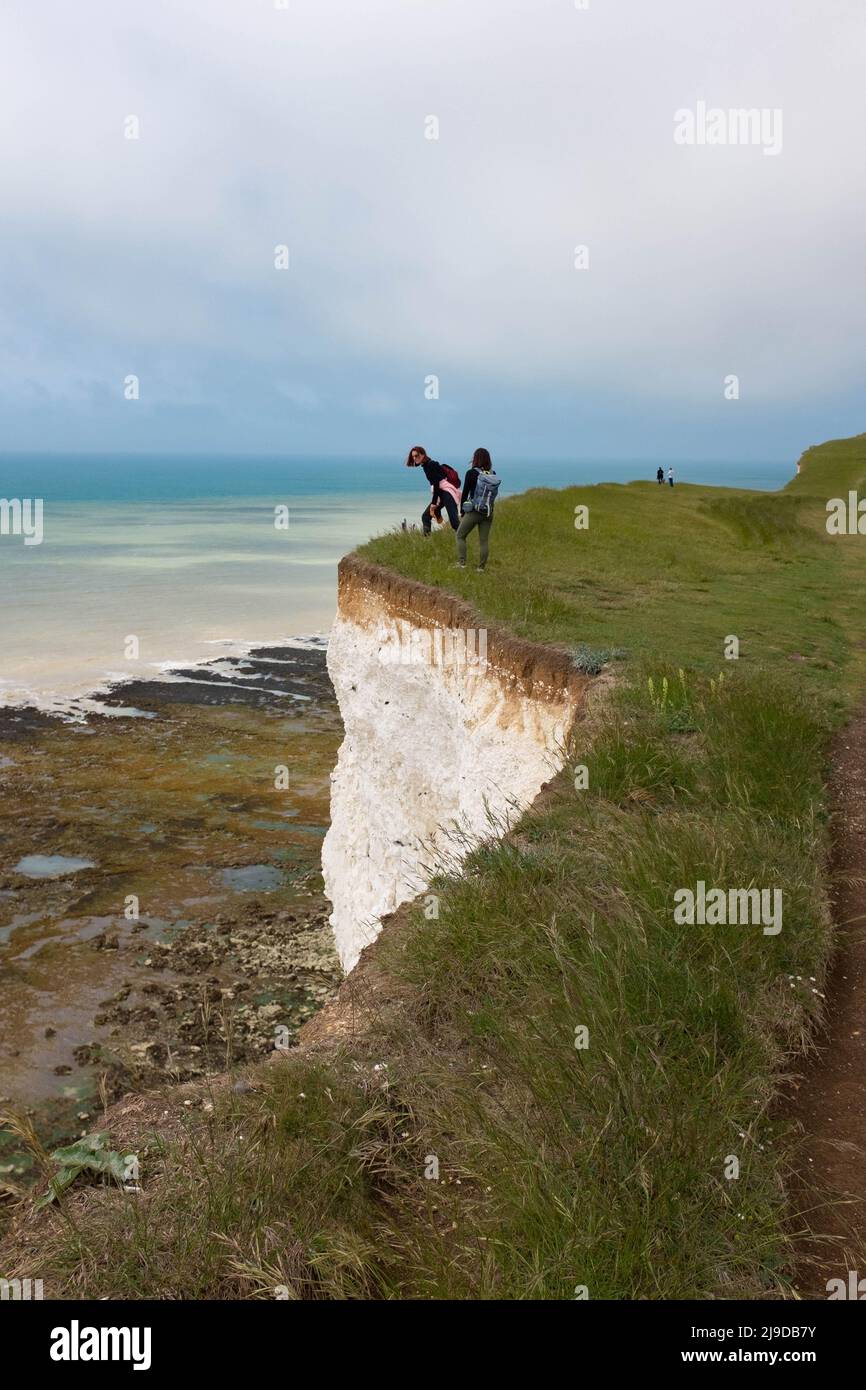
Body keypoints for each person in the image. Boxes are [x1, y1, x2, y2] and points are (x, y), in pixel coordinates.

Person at [456, 448, 500, 571]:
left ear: (475, 458)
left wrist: (462, 511)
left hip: (474, 511)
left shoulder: (471, 473)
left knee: (460, 535)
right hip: (488, 512)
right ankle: (481, 568)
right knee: (484, 541)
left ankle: (462, 564)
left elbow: (464, 494)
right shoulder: (493, 474)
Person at [405, 445, 461, 532]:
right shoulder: (426, 465)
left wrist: (434, 503)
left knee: (455, 523)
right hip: (441, 494)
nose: (415, 458)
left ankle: (463, 540)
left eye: (417, 455)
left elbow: (436, 484)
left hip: (447, 494)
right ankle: (427, 541)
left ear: (423, 454)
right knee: (426, 516)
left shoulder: (430, 465)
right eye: (413, 456)